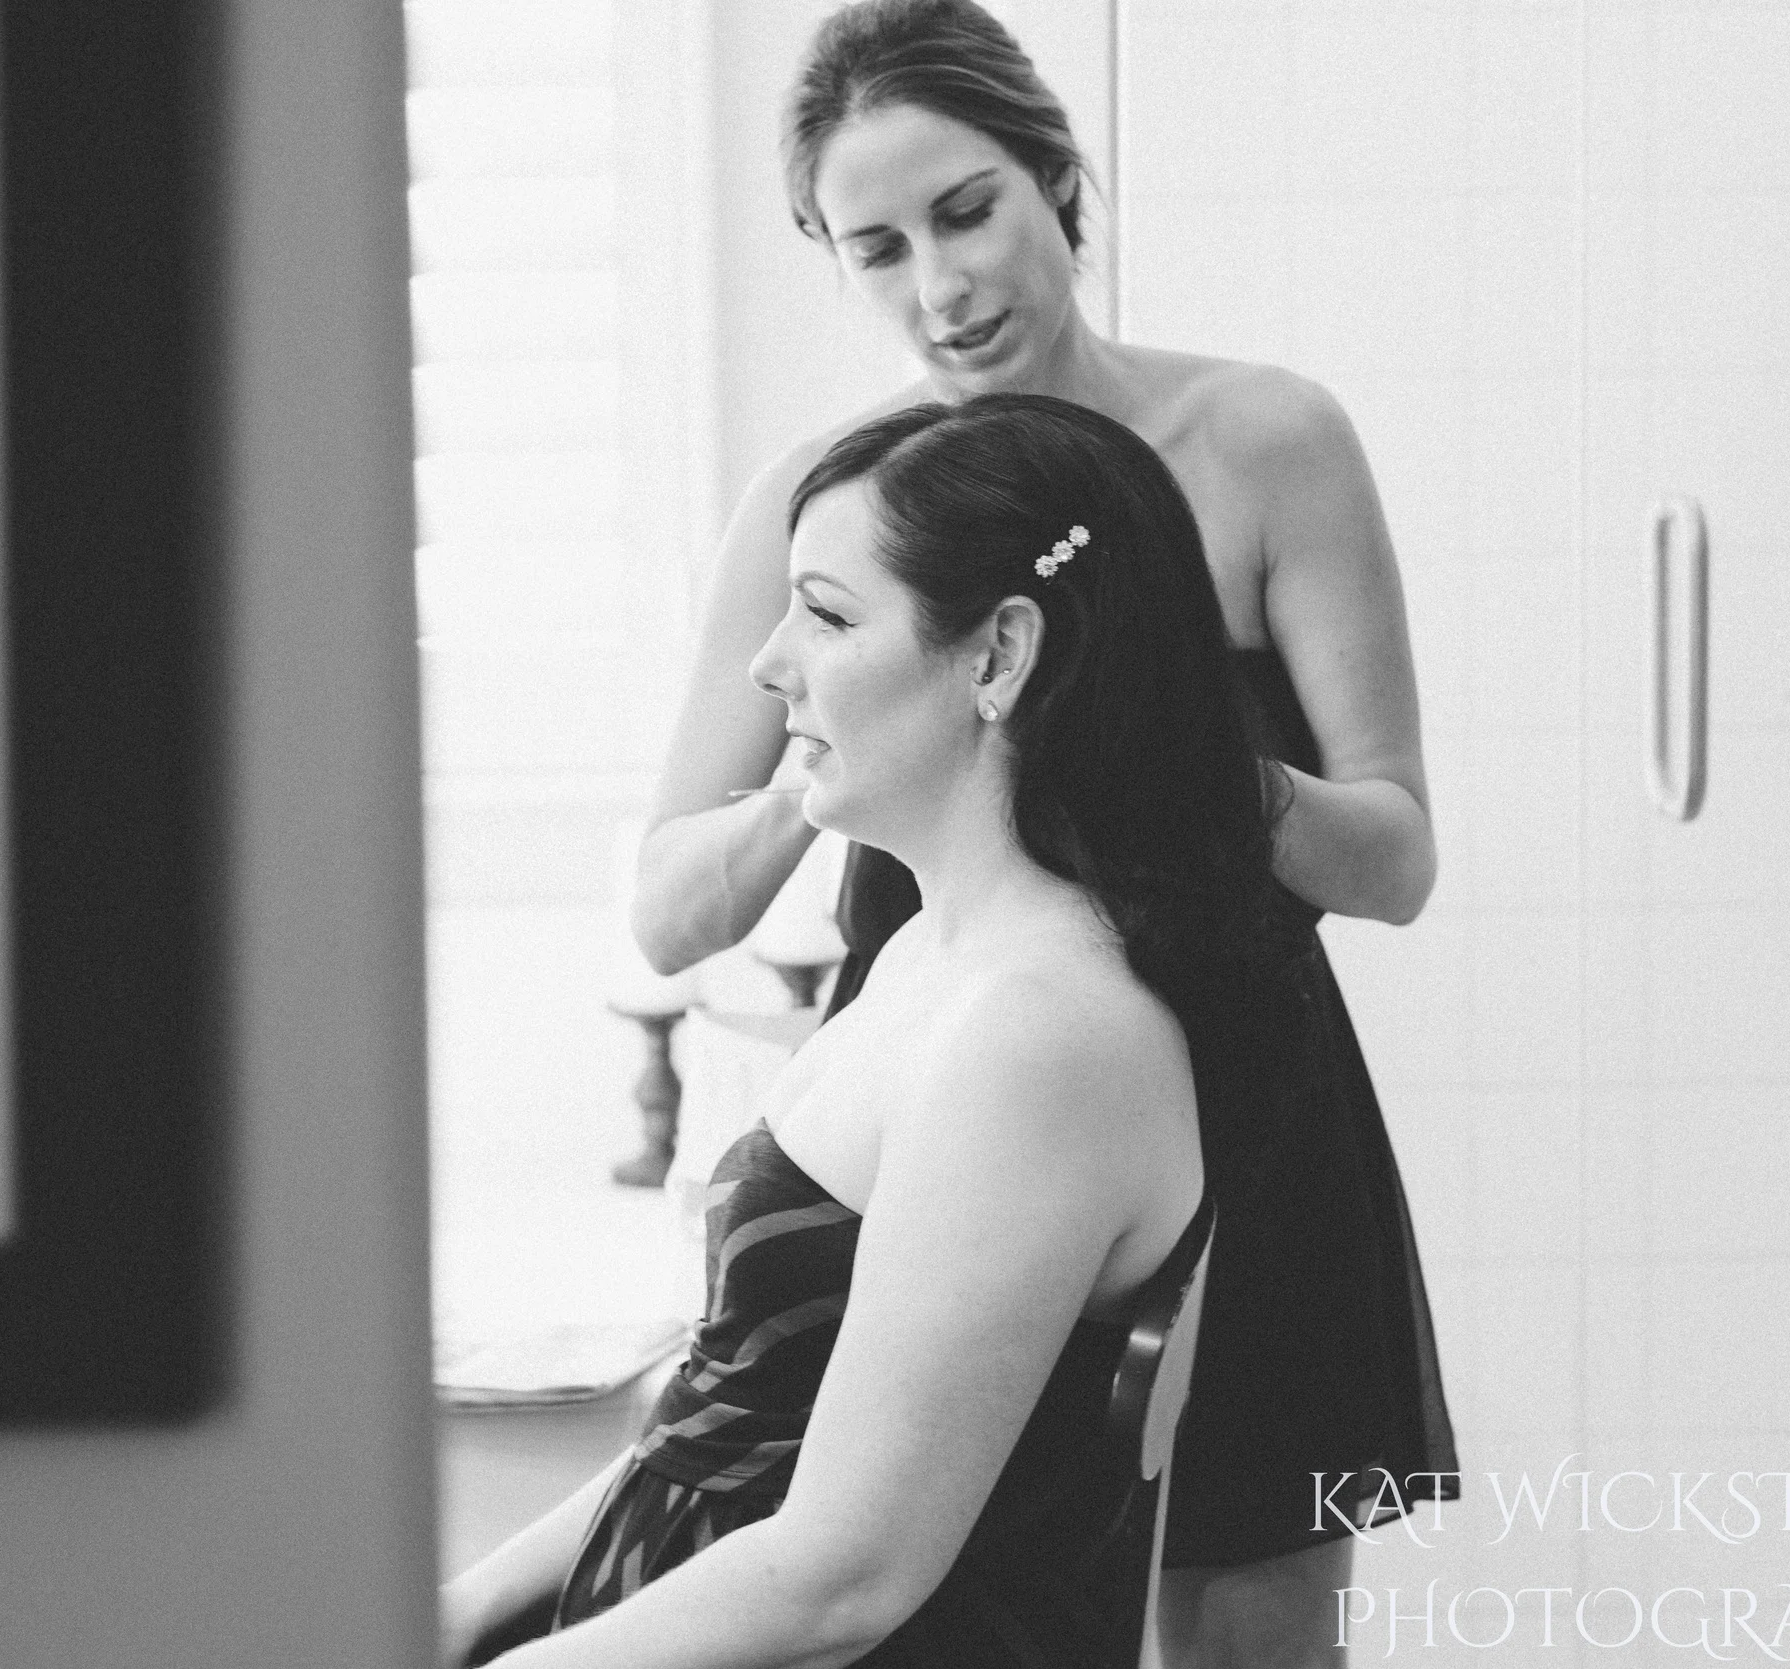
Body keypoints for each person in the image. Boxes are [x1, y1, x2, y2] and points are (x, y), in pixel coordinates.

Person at [627, 4, 1455, 1663]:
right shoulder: (826, 509)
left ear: (1056, 177)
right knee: (915, 1597)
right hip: (942, 1125)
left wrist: (1165, 729)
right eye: (877, 245)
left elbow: (1397, 857)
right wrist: (842, 722)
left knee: (1250, 1630)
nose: (940, 283)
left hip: (1249, 1109)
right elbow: (668, 913)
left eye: (968, 207)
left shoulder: (1269, 441)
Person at [445, 391, 1303, 1668]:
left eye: (829, 614)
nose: (768, 661)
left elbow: (845, 1575)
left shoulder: (1044, 1034)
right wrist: (449, 1616)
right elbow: (707, 1423)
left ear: (999, 657)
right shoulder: (931, 954)